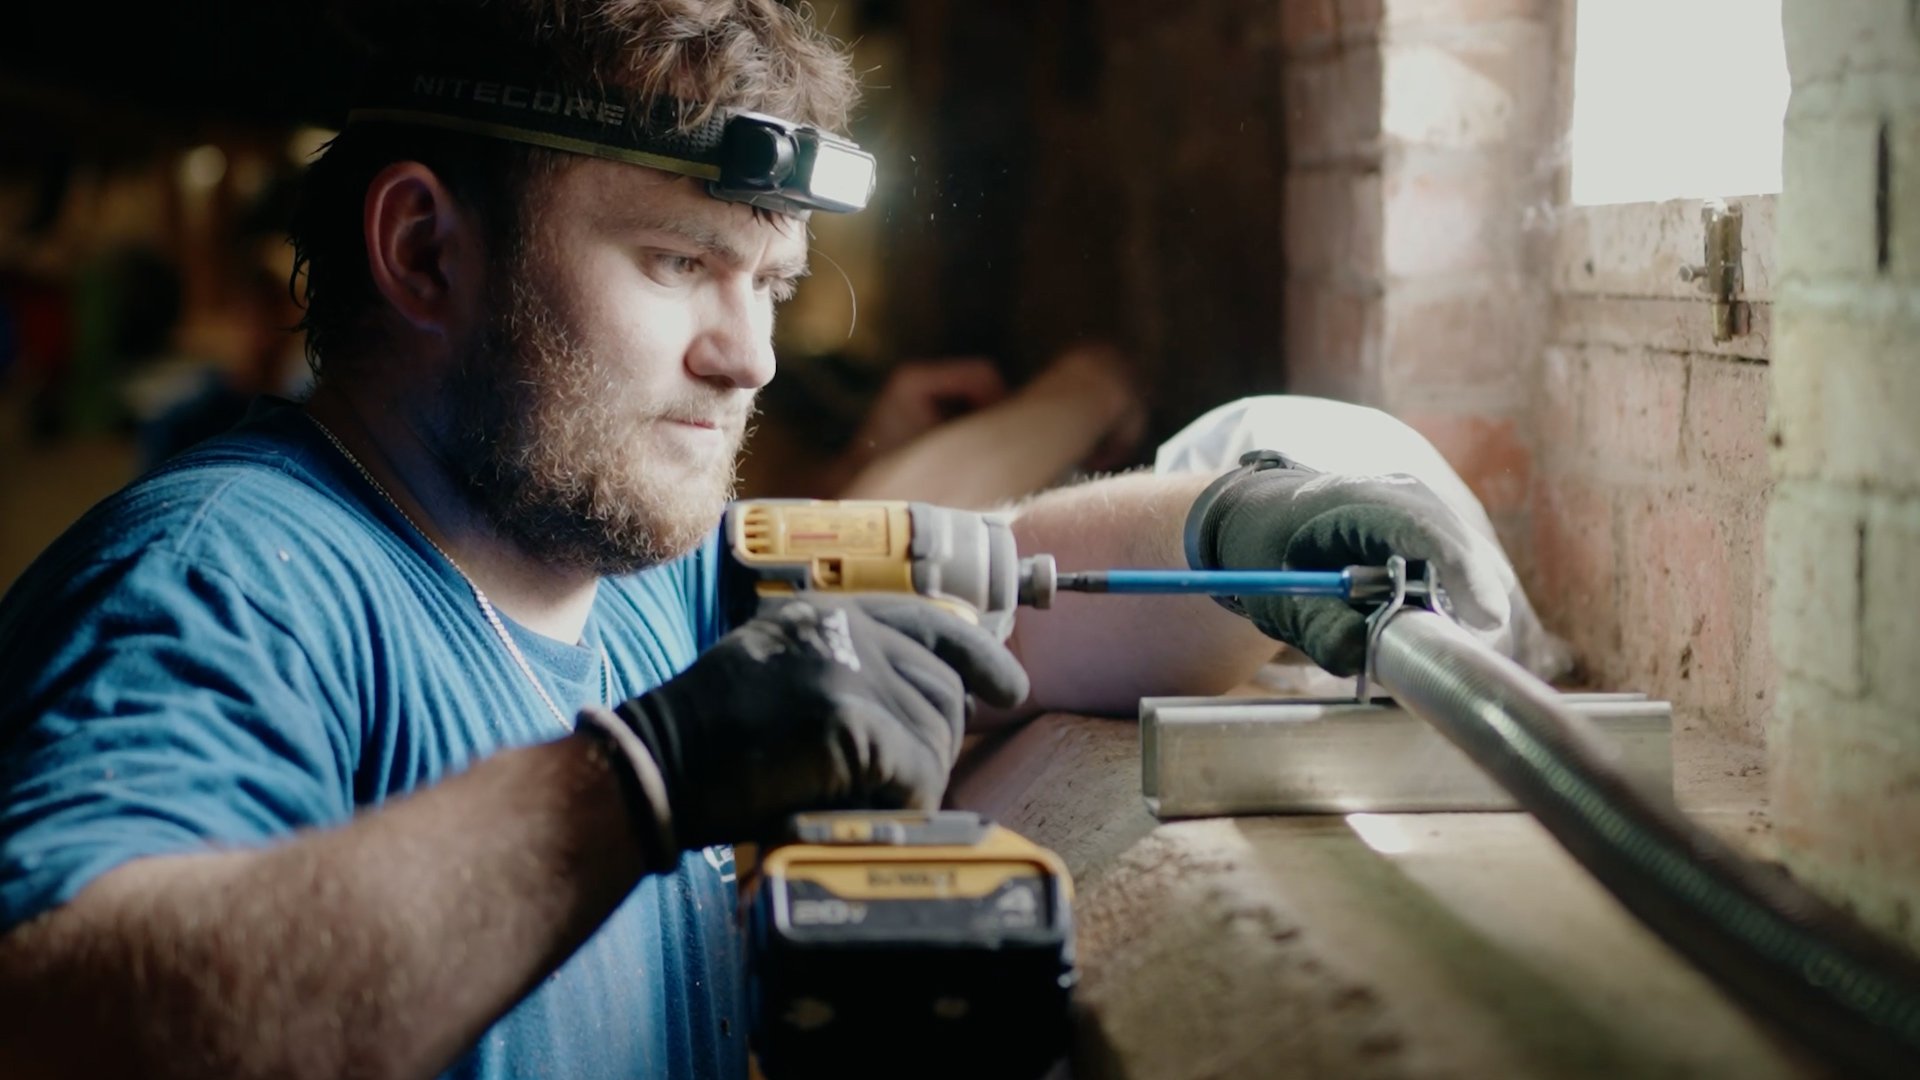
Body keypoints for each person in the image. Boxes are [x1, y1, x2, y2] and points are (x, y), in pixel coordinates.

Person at [0, 2, 1514, 1077]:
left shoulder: (634, 573)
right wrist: (642, 785)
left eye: (772, 285)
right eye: (681, 262)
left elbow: (1029, 595)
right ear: (422, 248)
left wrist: (1242, 532)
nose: (751, 356)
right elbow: (63, 1020)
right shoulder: (225, 583)